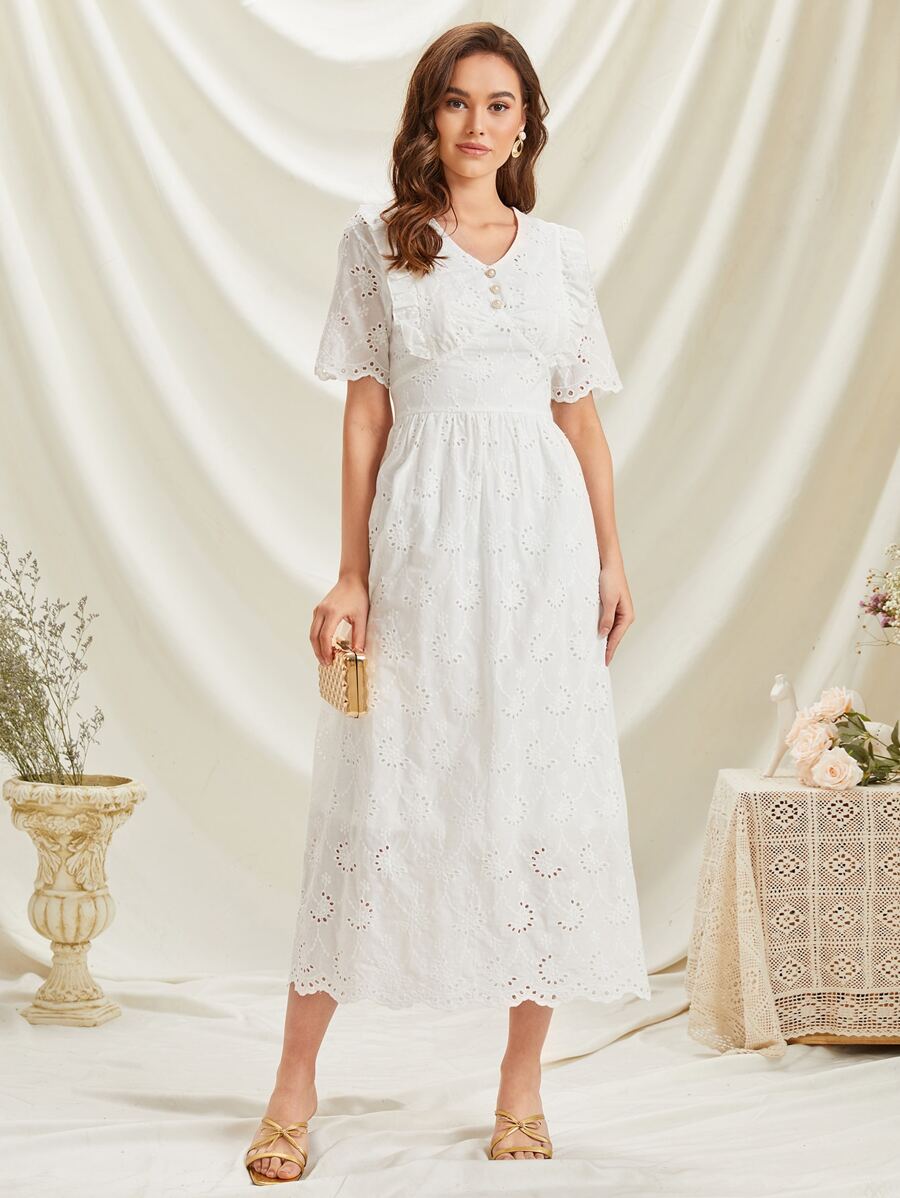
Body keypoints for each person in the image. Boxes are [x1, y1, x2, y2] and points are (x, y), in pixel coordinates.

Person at [245, 20, 651, 1185]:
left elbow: (580, 417)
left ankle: (521, 1087)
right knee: (380, 792)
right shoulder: (380, 245)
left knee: (535, 793)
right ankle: (292, 1085)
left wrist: (612, 557)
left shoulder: (560, 257)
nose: (477, 124)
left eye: (500, 104)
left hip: (541, 553)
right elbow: (366, 414)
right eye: (458, 101)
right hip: (424, 544)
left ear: (526, 126)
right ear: (429, 115)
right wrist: (351, 572)